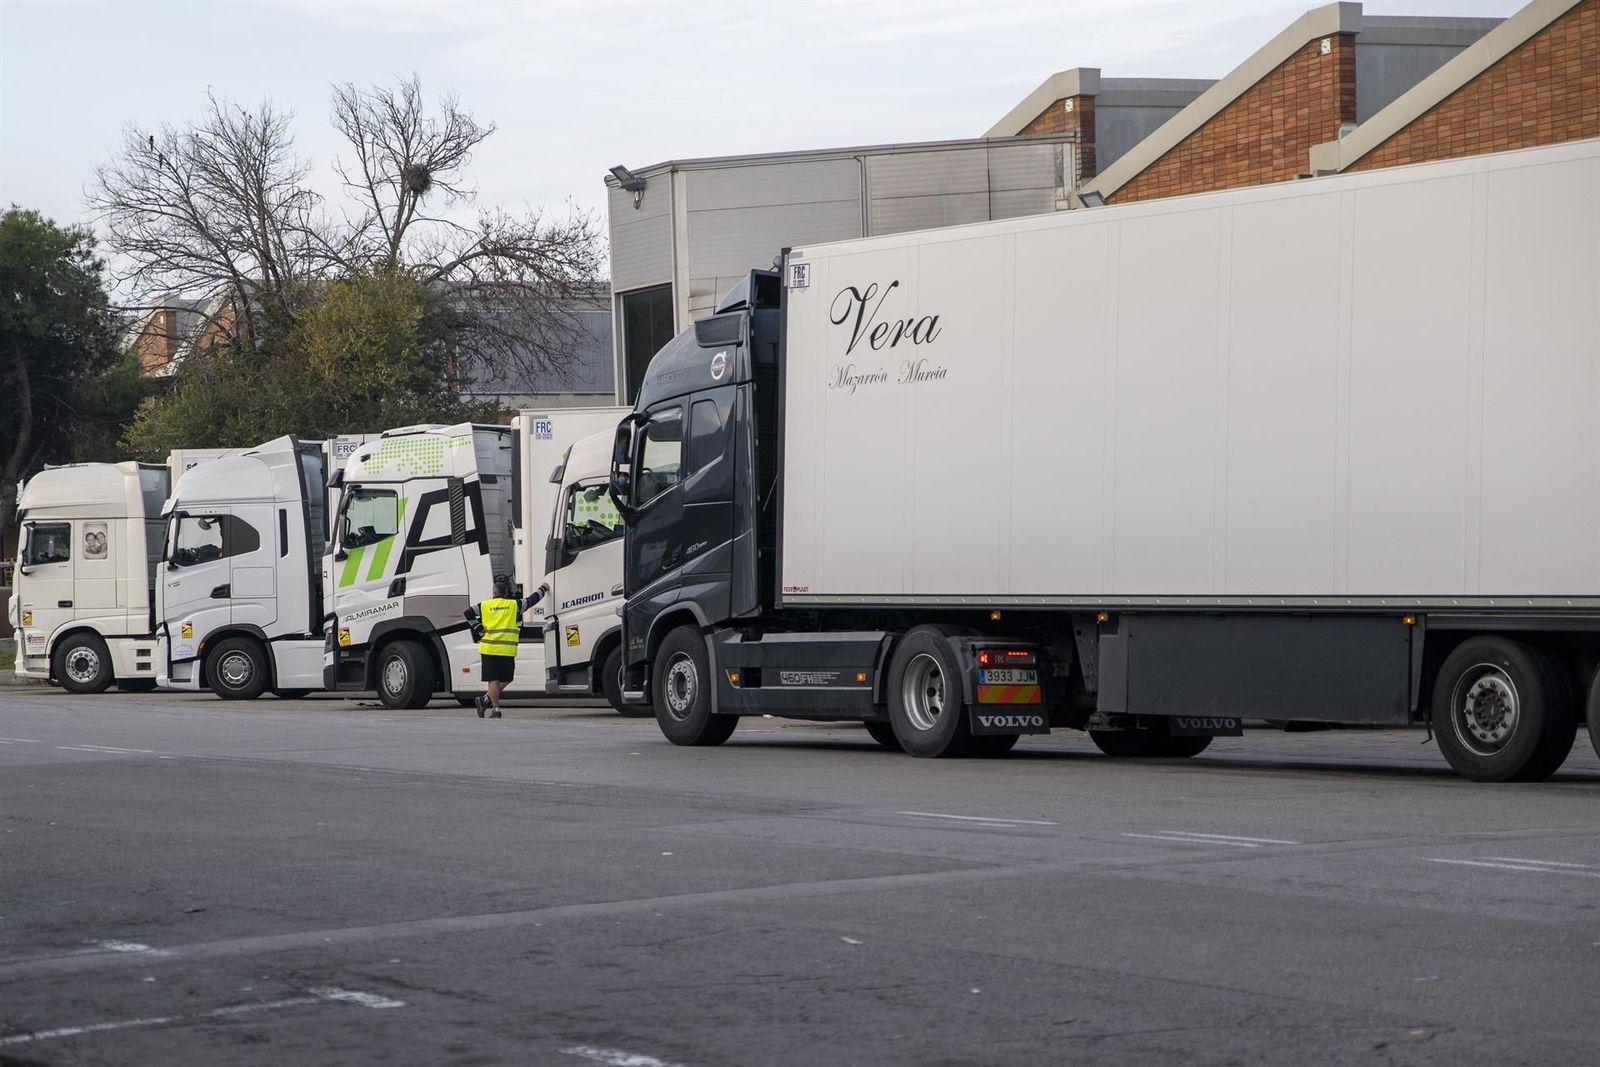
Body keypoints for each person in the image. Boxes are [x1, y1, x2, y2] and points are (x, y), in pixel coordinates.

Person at [466, 580, 546, 719]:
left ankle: (485, 700)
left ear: (493, 593)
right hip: (506, 649)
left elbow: (468, 613)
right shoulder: (514, 605)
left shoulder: (484, 605)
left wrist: (478, 628)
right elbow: (533, 599)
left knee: (494, 681)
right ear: (506, 593)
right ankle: (495, 709)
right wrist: (543, 588)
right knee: (503, 679)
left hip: (489, 648)